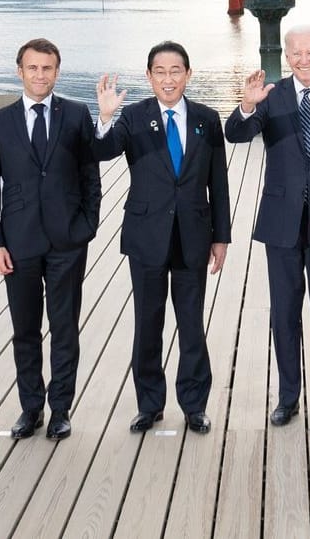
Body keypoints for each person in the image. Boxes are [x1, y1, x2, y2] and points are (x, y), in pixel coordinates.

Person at [224, 26, 310, 427]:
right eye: (296, 53)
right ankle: (288, 397)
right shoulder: (272, 97)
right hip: (281, 225)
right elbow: (236, 135)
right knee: (284, 313)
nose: (303, 59)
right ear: (287, 56)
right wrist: (248, 107)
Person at [92, 41, 231, 435]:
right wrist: (104, 118)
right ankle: (149, 405)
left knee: (191, 323)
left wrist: (221, 237)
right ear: (149, 76)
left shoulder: (207, 118)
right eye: (160, 71)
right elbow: (103, 151)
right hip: (146, 236)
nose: (168, 79)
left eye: (175, 71)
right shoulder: (133, 117)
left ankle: (194, 405)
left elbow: (217, 183)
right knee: (147, 322)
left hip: (193, 235)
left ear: (188, 74)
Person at [0, 38, 102, 441]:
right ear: (20, 71)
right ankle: (30, 409)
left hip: (68, 241)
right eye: (33, 68)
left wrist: (87, 228)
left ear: (57, 71)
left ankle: (61, 409)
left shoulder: (77, 114)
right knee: (25, 330)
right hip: (18, 243)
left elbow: (90, 178)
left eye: (47, 68)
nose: (40, 75)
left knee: (64, 328)